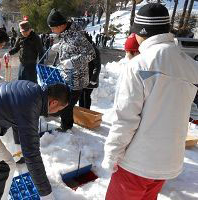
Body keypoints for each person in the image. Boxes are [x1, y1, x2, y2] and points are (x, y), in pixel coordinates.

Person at [102, 4, 198, 200]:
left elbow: (125, 119)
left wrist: (112, 155)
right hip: (168, 162)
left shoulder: (140, 64)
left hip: (137, 163)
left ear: (141, 32)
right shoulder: (191, 65)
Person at [0, 81, 70, 200]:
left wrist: (19, 145)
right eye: (60, 108)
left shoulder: (33, 90)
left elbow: (17, 116)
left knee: (8, 158)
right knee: (5, 167)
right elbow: (32, 155)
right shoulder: (31, 107)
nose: (59, 112)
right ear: (54, 102)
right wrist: (47, 194)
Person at [47, 8, 96, 132]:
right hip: (66, 76)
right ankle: (66, 125)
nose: (52, 31)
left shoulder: (77, 35)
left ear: (61, 25)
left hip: (76, 79)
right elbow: (71, 47)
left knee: (66, 105)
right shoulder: (65, 33)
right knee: (65, 103)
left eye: (53, 28)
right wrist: (60, 47)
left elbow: (91, 54)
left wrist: (72, 62)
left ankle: (66, 128)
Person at [79, 34, 101, 109]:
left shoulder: (94, 50)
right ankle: (81, 113)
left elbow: (97, 66)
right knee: (81, 96)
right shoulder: (83, 50)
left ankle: (86, 114)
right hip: (83, 77)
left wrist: (93, 79)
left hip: (90, 78)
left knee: (86, 96)